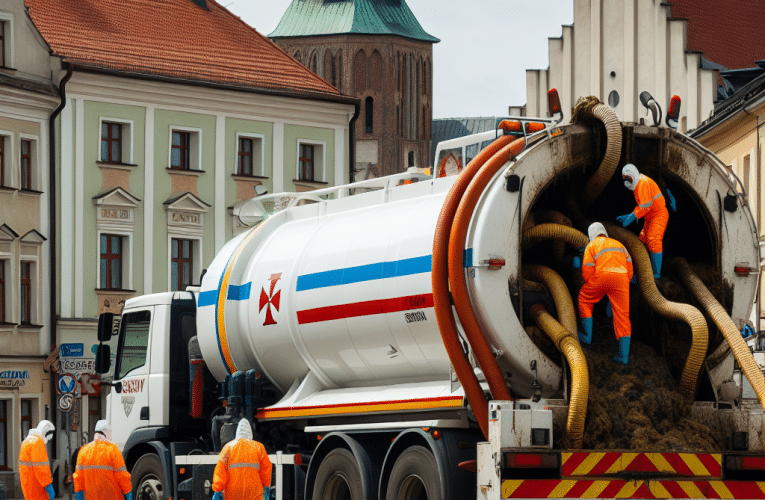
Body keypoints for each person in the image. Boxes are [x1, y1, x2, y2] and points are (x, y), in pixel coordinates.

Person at [577, 223, 633, 364]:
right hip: (622, 279)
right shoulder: (619, 244)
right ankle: (623, 357)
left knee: (584, 299)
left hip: (602, 276)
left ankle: (586, 336)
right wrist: (623, 283)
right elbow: (630, 268)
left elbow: (587, 270)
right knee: (623, 316)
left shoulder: (592, 245)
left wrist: (592, 286)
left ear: (592, 234)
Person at [616, 164, 676, 279]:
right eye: (625, 179)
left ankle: (656, 275)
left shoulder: (642, 183)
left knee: (653, 240)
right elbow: (642, 205)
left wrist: (631, 217)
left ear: (633, 175)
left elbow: (645, 206)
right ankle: (640, 272)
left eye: (628, 179)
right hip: (650, 217)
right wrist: (629, 215)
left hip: (658, 215)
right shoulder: (637, 184)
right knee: (641, 241)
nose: (626, 182)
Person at [212, 420, 272, 500]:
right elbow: (266, 469)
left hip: (233, 493)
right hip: (254, 492)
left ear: (237, 432)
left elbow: (220, 471)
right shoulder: (259, 447)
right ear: (250, 432)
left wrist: (217, 490)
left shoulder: (228, 448)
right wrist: (266, 487)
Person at [73, 420, 132, 500]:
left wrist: (79, 494)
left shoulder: (83, 451)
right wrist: (128, 492)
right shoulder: (113, 450)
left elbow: (78, 477)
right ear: (107, 432)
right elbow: (122, 476)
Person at [19, 420, 56, 500]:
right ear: (46, 432)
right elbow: (41, 468)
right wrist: (48, 485)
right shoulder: (37, 443)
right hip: (37, 487)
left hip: (28, 486)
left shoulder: (26, 441)